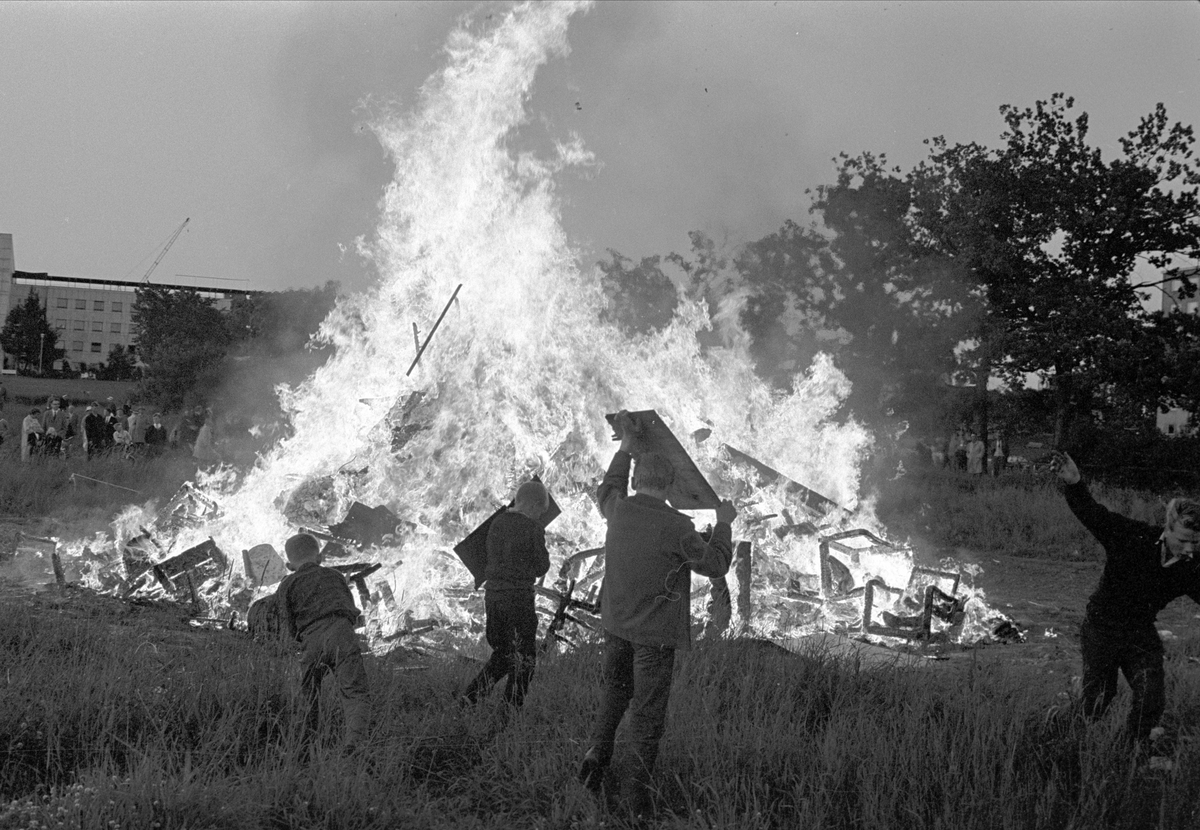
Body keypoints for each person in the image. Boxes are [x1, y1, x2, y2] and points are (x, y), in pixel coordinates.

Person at [579, 410, 737, 815]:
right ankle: (635, 805)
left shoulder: (617, 509)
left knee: (613, 696)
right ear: (669, 485)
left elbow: (608, 485)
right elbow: (716, 565)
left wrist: (627, 449)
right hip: (653, 639)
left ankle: (595, 764)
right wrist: (723, 524)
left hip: (615, 627)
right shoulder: (677, 527)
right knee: (647, 720)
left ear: (635, 481)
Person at [1050, 450, 1200, 752]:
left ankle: (1128, 753)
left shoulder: (1192, 567)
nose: (1188, 549)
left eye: (1195, 543)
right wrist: (1075, 482)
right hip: (1102, 627)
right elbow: (1093, 514)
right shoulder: (1132, 537)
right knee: (1098, 701)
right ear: (1167, 528)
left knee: (1151, 698)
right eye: (1182, 540)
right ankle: (1057, 730)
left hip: (1139, 633)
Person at [274, 533, 371, 753]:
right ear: (319, 558)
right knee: (355, 692)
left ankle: (307, 747)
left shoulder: (287, 584)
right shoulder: (335, 575)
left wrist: (297, 645)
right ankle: (354, 744)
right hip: (341, 633)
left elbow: (287, 625)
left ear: (289, 565)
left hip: (311, 640)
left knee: (308, 696)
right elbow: (350, 609)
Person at [461, 480, 552, 708]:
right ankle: (509, 713)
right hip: (518, 600)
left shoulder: (498, 522)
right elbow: (541, 566)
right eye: (540, 511)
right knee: (524, 660)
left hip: (493, 597)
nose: (540, 516)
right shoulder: (533, 529)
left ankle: (469, 697)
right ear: (533, 505)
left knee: (503, 653)